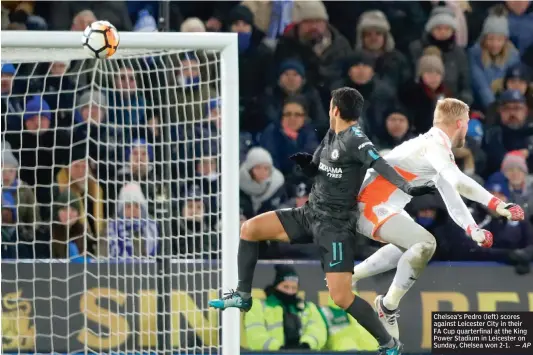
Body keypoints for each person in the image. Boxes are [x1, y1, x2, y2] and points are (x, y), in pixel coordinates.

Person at [210, 87, 437, 355]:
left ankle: (389, 344)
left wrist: (408, 188)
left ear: (336, 109)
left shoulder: (357, 139)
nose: (329, 109)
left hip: (336, 227)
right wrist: (308, 166)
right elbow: (319, 168)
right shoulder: (332, 133)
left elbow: (380, 164)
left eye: (331, 105)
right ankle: (243, 296)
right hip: (309, 214)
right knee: (250, 229)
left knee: (341, 297)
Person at [351, 98, 525, 340]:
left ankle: (352, 276)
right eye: (466, 124)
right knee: (425, 243)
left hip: (384, 206)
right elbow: (458, 180)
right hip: (370, 205)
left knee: (410, 248)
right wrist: (496, 203)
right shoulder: (435, 144)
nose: (466, 129)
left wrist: (472, 228)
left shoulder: (432, 150)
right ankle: (387, 306)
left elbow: (451, 196)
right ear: (459, 123)